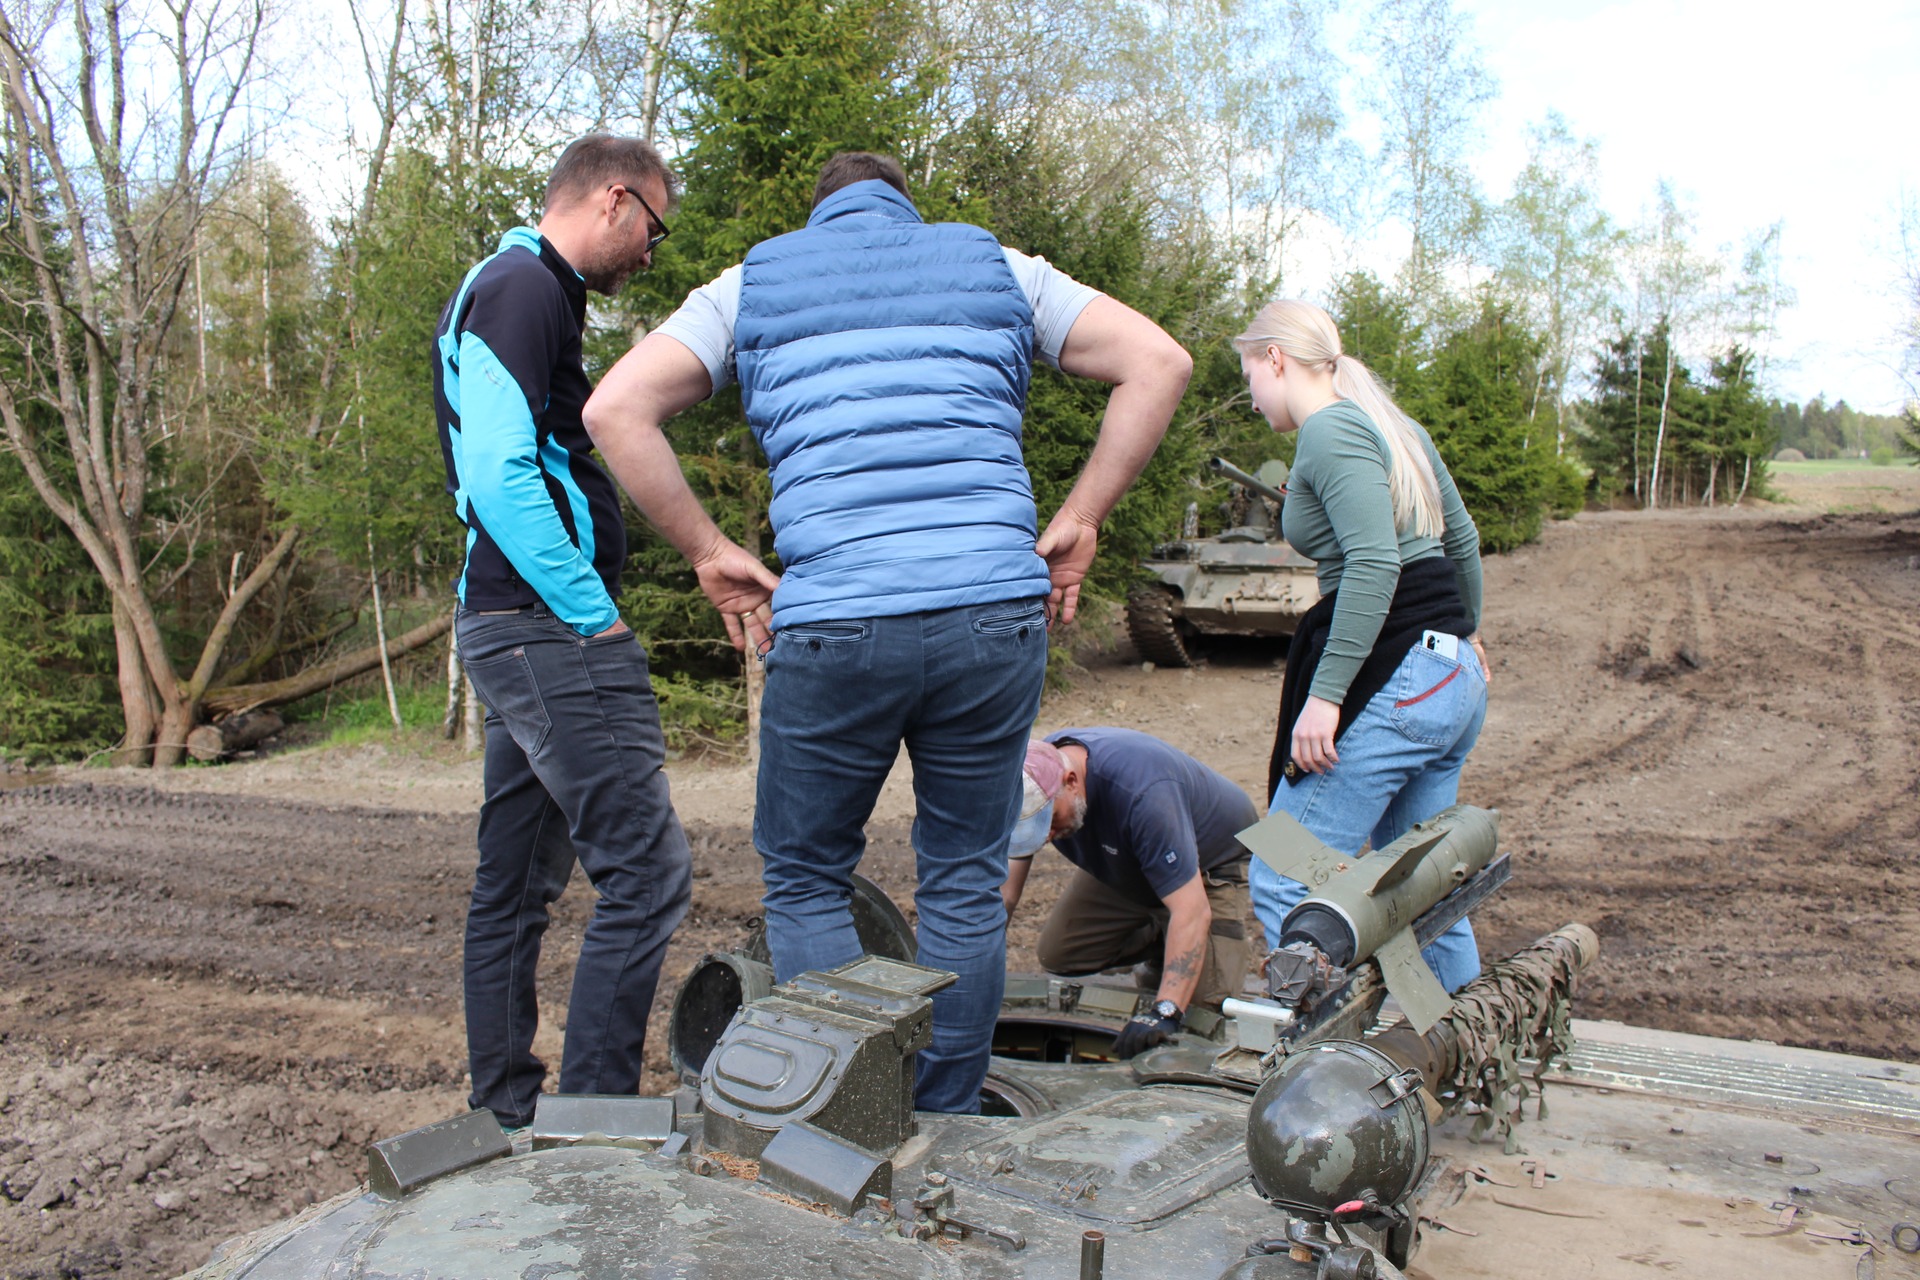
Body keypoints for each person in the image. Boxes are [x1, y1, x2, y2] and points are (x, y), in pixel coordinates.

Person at [582, 152, 1192, 1112]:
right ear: (905, 208)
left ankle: (856, 1115)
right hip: (992, 615)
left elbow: (614, 408)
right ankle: (944, 1113)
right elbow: (1160, 361)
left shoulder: (752, 284)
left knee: (810, 877)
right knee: (961, 880)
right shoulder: (999, 266)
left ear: (820, 216)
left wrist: (708, 548)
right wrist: (1082, 515)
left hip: (836, 624)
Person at [432, 135, 773, 1130]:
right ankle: (590, 1123)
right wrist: (596, 618)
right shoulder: (521, 287)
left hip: (512, 627)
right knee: (648, 873)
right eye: (655, 228)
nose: (653, 252)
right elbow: (498, 474)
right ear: (616, 201)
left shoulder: (528, 292)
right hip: (547, 631)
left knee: (516, 884)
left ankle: (506, 1110)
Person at [1235, 299, 1490, 992]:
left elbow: (1376, 565)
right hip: (1443, 672)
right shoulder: (1394, 427)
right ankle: (1448, 1058)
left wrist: (1324, 699)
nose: (1252, 399)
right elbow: (1459, 539)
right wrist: (1465, 637)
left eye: (1249, 376)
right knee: (1418, 889)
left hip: (1397, 668)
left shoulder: (1331, 430)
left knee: (1286, 873)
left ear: (1275, 359)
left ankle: (1330, 1085)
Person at [1002, 732, 1257, 1058]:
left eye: (1050, 822)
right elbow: (1005, 895)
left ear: (1071, 782)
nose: (1046, 836)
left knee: (1199, 1012)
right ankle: (1168, 936)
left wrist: (1165, 1011)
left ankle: (1185, 936)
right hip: (1129, 857)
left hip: (1209, 865)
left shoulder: (1143, 793)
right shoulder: (1033, 776)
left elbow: (1192, 909)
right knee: (1059, 953)